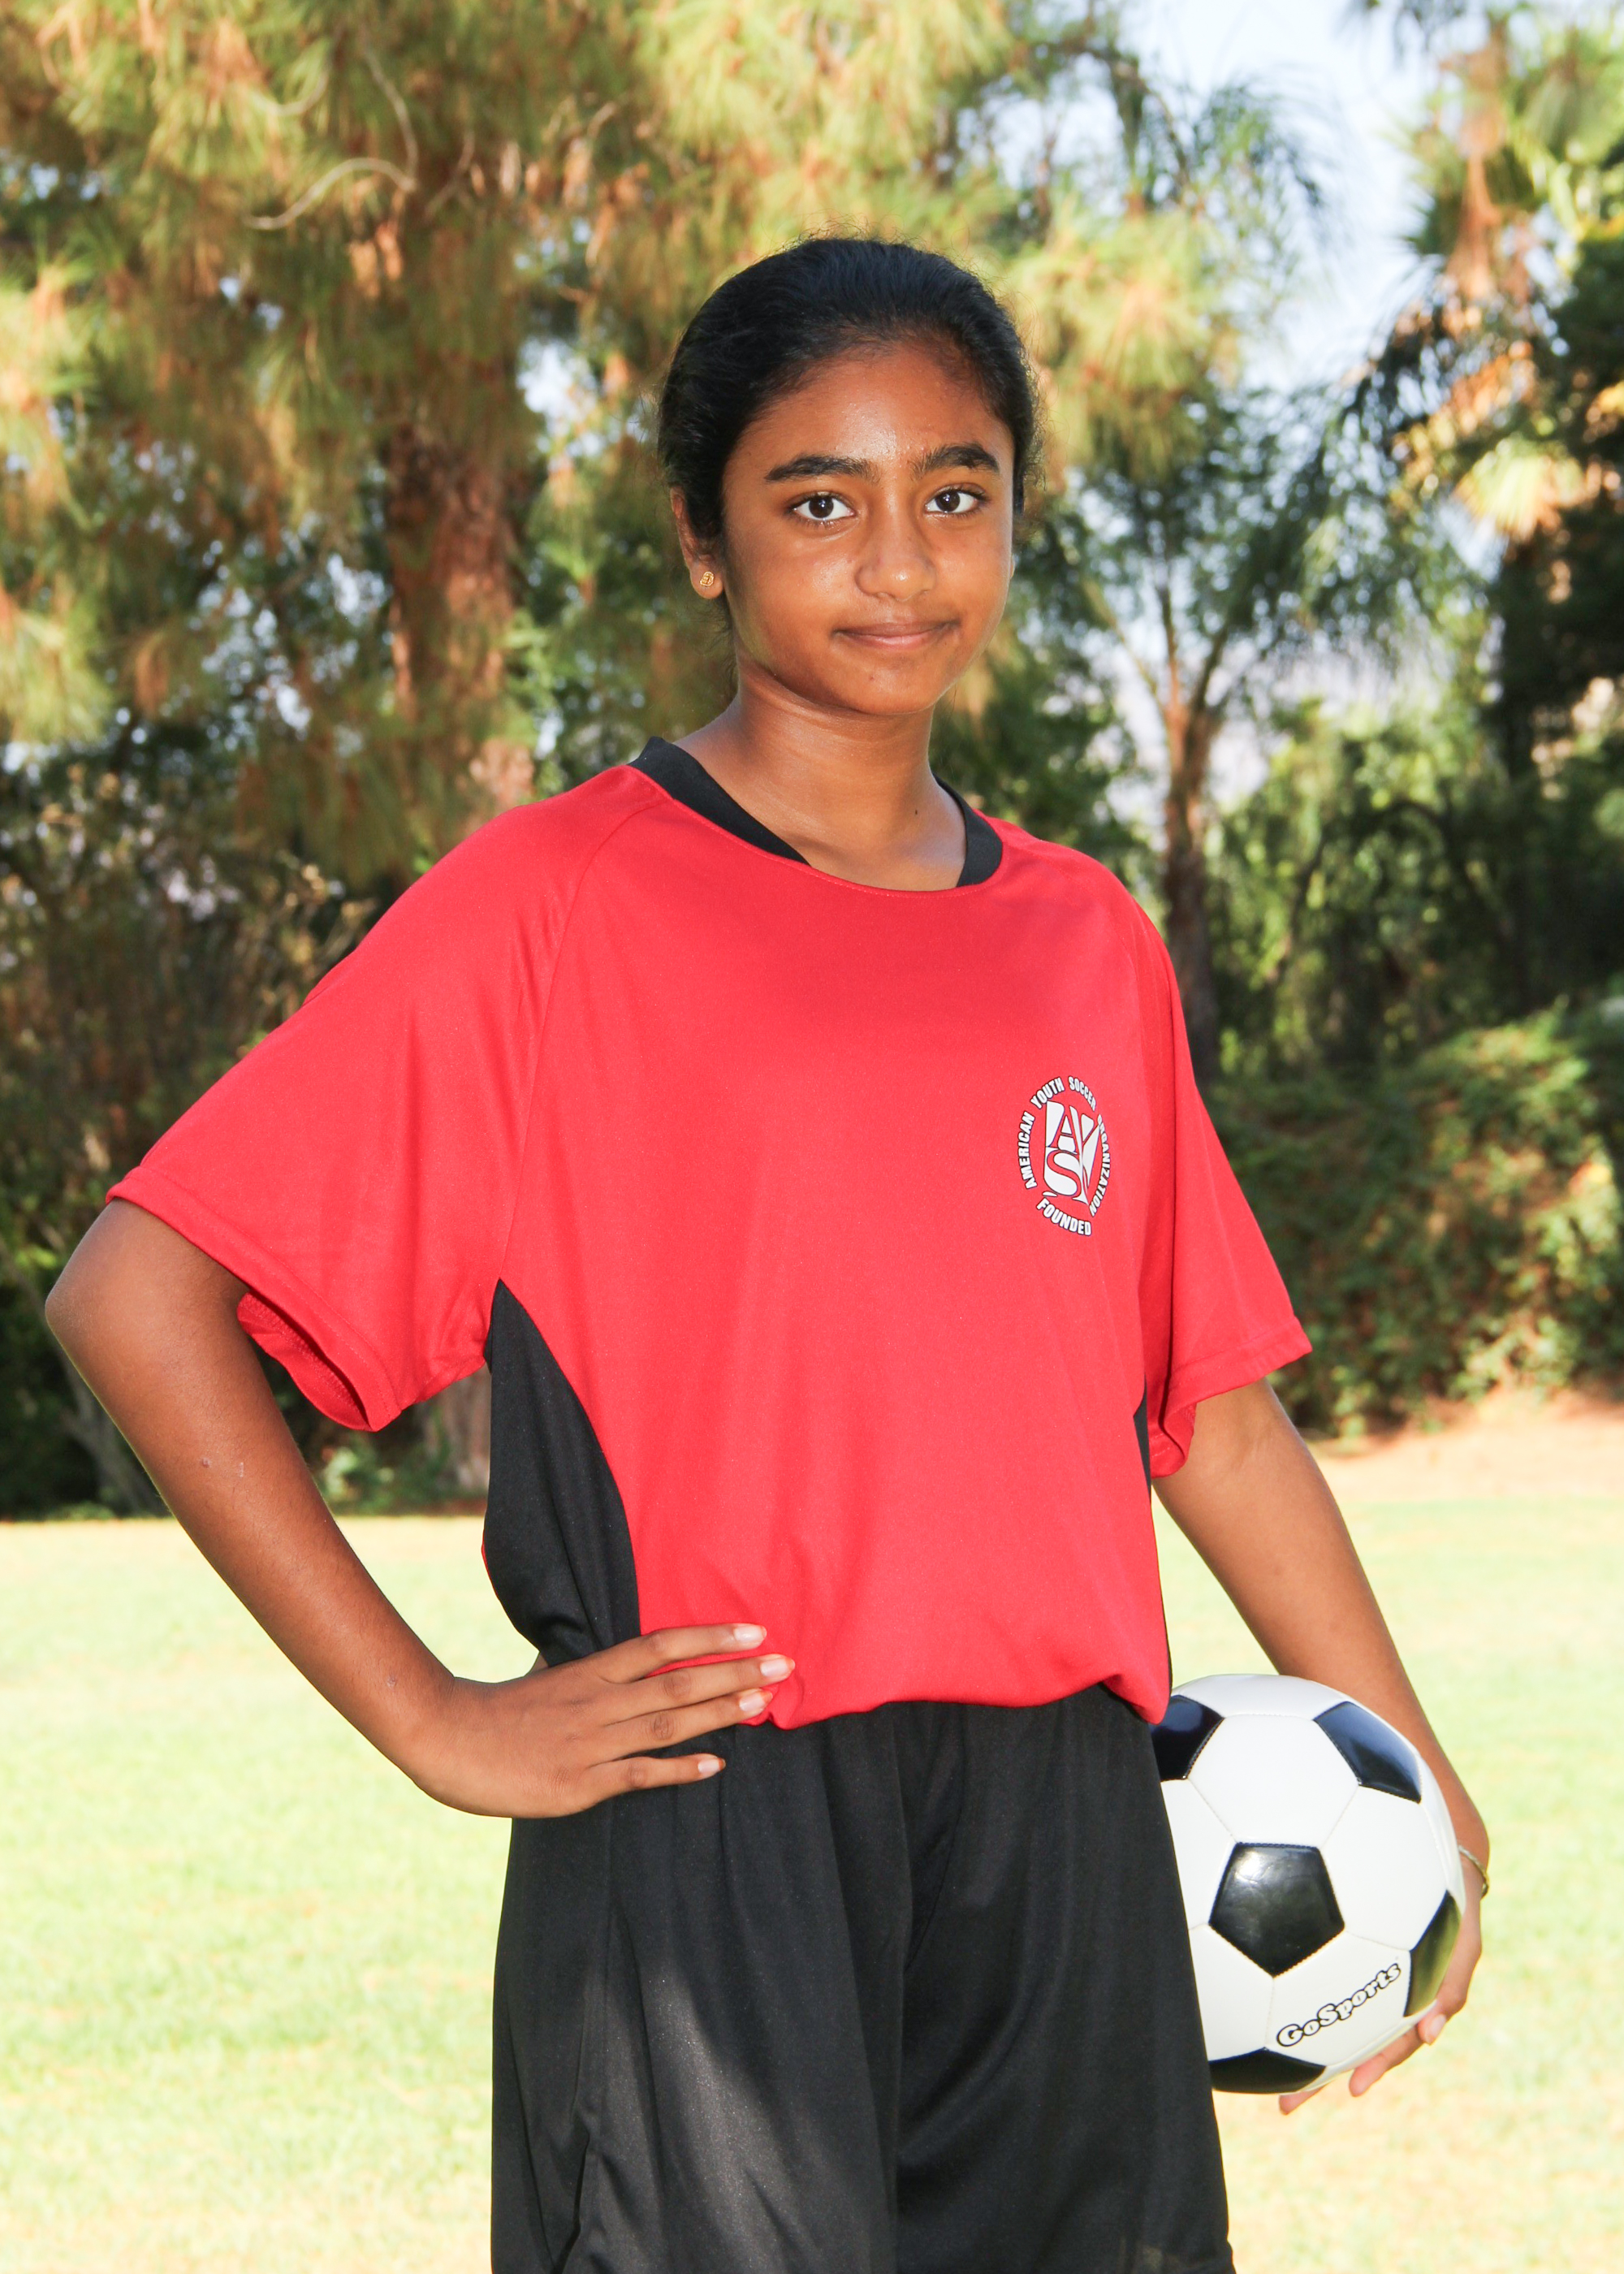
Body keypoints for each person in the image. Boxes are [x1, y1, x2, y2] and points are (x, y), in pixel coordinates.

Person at [46, 238, 1487, 2274]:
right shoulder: (561, 899)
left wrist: (1409, 1771)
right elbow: (134, 1290)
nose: (898, 559)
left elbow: (1213, 1418)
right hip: (709, 1825)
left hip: (1071, 1831)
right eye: (819, 501)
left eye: (955, 491)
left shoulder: (1084, 941)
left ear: (1013, 513)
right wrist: (434, 1716)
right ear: (702, 541)